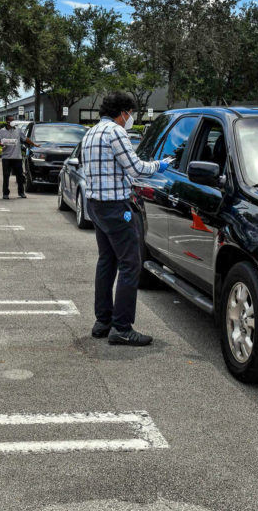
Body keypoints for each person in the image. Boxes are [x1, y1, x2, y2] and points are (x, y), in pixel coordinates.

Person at [81, 93, 170, 346]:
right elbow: (136, 168)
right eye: (130, 113)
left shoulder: (91, 133)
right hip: (115, 206)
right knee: (130, 263)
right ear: (123, 112)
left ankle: (103, 321)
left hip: (96, 205)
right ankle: (122, 327)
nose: (130, 118)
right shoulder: (115, 132)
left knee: (106, 261)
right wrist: (160, 165)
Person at [0, 115, 37, 199]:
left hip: (17, 157)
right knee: (6, 176)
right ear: (7, 121)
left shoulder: (18, 130)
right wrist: (1, 144)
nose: (12, 122)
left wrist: (34, 144)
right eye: (10, 120)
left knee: (20, 176)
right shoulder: (2, 131)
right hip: (6, 157)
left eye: (13, 120)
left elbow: (25, 139)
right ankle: (5, 193)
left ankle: (21, 192)